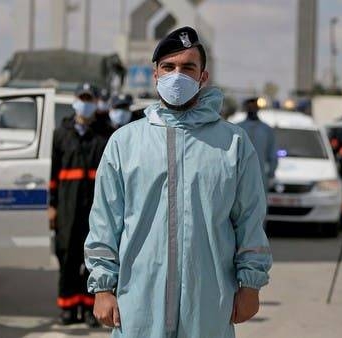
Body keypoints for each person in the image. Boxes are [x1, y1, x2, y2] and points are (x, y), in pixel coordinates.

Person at [84, 26, 272, 337]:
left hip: (208, 301)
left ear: (203, 77)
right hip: (140, 300)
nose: (177, 76)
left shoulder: (232, 143)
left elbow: (249, 218)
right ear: (155, 74)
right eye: (169, 67)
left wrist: (250, 284)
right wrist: (103, 287)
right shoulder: (125, 142)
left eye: (187, 68)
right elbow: (105, 220)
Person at [49, 83, 107, 327]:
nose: (85, 103)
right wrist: (52, 205)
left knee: (94, 259)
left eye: (89, 98)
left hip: (95, 208)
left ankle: (88, 306)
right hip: (68, 207)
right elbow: (53, 174)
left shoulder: (104, 135)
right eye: (81, 98)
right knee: (68, 257)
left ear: (95, 103)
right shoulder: (61, 134)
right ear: (75, 101)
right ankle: (68, 308)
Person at [237, 97, 278, 189]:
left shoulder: (266, 129)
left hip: (260, 175)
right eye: (249, 106)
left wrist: (271, 173)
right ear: (246, 108)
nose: (252, 109)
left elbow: (272, 153)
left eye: (254, 106)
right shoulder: (237, 128)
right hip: (239, 176)